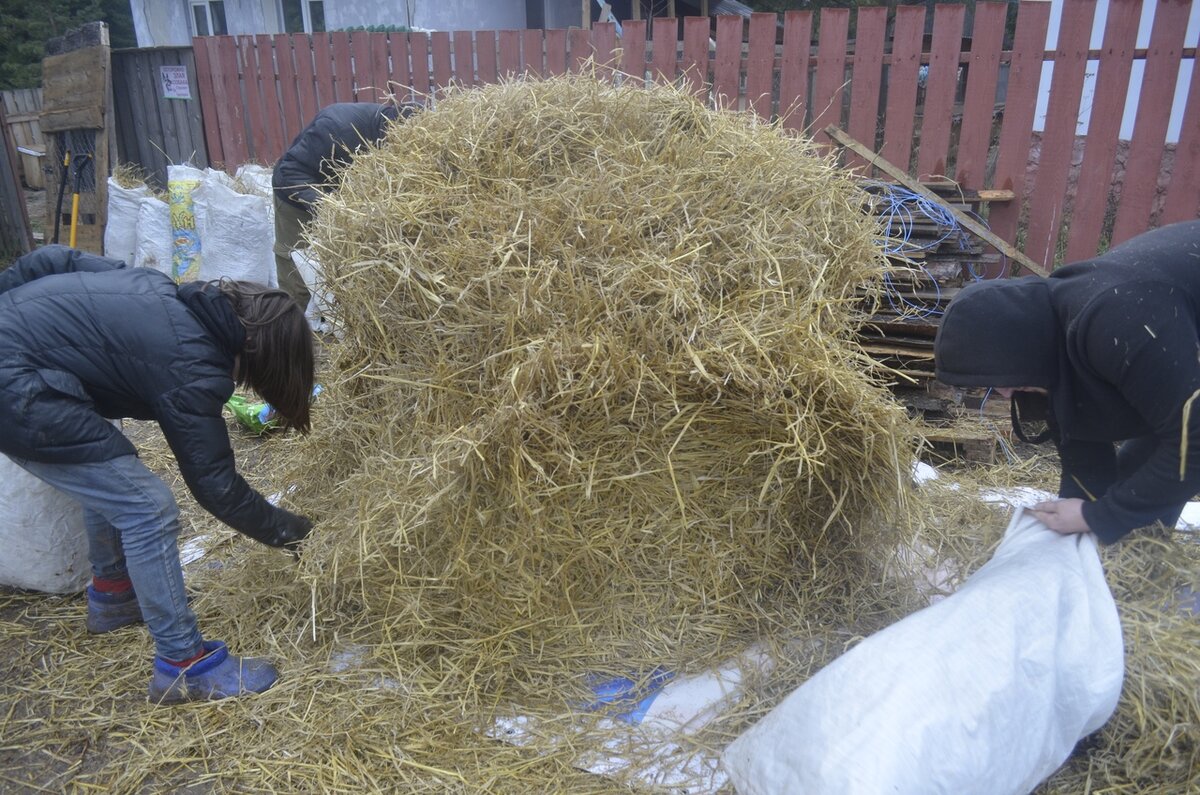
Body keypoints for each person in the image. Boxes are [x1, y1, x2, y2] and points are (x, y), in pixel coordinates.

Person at [0, 245, 316, 704]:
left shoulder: (155, 288)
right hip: (17, 389)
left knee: (109, 466)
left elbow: (49, 260)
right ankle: (184, 665)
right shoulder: (193, 363)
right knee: (148, 508)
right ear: (260, 354)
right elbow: (216, 488)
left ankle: (114, 594)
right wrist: (298, 535)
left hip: (25, 369)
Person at [934, 220, 1200, 545]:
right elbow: (1083, 443)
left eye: (1000, 378)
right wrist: (1081, 516)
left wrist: (1096, 517)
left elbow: (1192, 441)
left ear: (1018, 347)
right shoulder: (1052, 341)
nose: (1004, 392)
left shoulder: (1113, 321)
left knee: (1144, 495)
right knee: (1132, 499)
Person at [272, 101, 417, 311]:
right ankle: (285, 332)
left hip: (340, 200)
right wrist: (331, 207)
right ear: (393, 129)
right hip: (296, 196)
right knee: (297, 273)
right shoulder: (338, 128)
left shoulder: (394, 136)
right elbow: (290, 172)